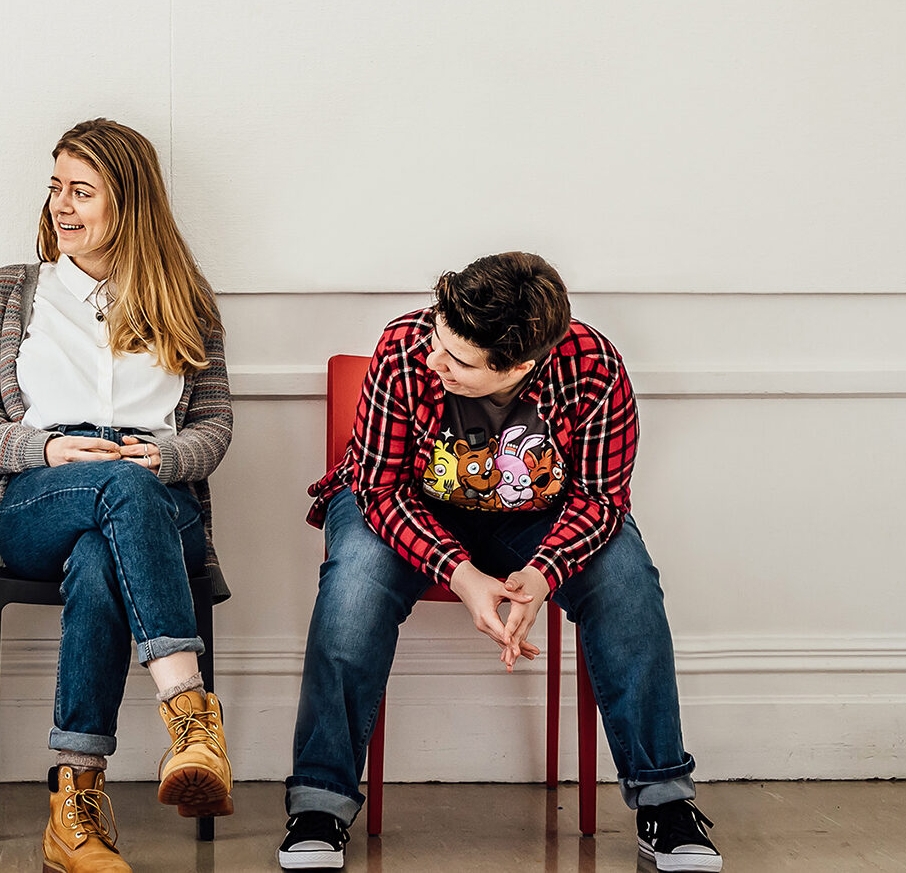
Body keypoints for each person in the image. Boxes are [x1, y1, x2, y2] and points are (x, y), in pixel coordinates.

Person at [279, 252, 721, 872]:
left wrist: (540, 576)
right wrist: (463, 576)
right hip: (405, 505)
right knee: (352, 589)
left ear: (520, 364)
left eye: (459, 361)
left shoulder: (592, 368)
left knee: (627, 580)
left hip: (538, 518)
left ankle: (665, 804)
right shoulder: (407, 348)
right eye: (439, 339)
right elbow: (378, 491)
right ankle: (320, 802)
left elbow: (600, 500)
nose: (436, 360)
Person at [0, 119, 235, 873]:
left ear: (130, 203)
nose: (61, 207)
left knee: (100, 558)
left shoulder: (187, 298)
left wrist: (166, 455)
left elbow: (213, 424)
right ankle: (191, 718)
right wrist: (44, 447)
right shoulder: (12, 291)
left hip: (158, 495)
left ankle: (73, 809)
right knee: (115, 489)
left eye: (82, 191)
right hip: (38, 495)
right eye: (55, 189)